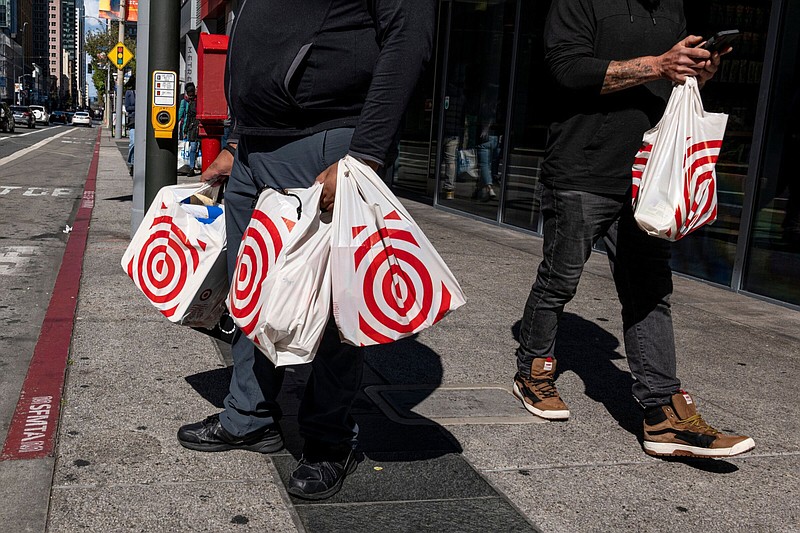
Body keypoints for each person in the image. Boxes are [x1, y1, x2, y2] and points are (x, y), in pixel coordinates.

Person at [180, 0, 435, 500]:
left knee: (329, 304)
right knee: (247, 289)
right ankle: (250, 416)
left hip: (325, 140)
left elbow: (408, 38)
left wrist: (364, 154)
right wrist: (235, 140)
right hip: (254, 147)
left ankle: (328, 441)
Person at [512, 0, 755, 459]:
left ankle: (662, 413)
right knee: (560, 278)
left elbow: (670, 79)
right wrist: (658, 64)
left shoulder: (672, 7)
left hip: (650, 176)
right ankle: (533, 370)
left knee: (649, 292)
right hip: (583, 168)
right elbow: (566, 70)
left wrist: (697, 69)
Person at [177, 82, 200, 176]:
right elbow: (187, 116)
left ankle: (193, 166)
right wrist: (185, 129)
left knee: (194, 147)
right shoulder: (188, 102)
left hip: (194, 127)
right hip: (193, 127)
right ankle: (191, 167)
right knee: (193, 147)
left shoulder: (197, 101)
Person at [124, 76, 136, 176]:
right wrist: (139, 105)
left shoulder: (144, 91)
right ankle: (132, 164)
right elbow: (127, 107)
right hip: (133, 121)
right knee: (133, 143)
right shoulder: (129, 93)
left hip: (144, 120)